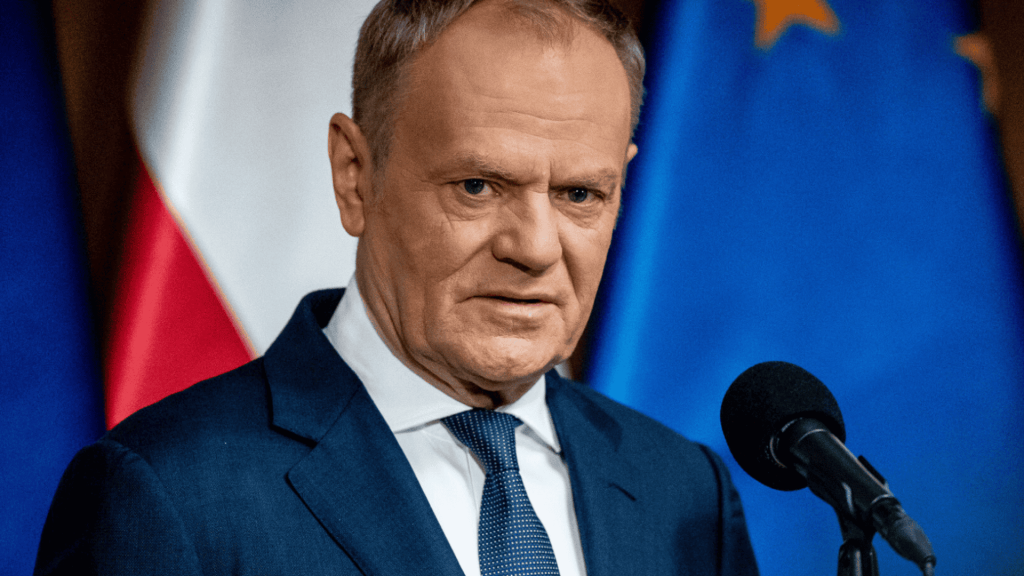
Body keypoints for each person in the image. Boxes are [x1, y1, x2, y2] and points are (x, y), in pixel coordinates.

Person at [35, 0, 759, 574]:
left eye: (579, 195)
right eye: (477, 186)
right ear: (355, 175)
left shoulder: (685, 493)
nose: (536, 248)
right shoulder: (168, 493)